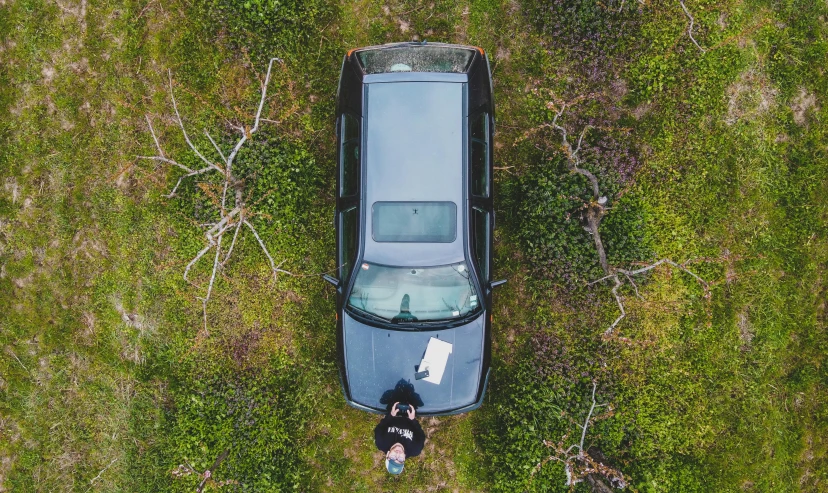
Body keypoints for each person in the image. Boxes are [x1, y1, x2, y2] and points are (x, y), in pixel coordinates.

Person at [374, 401, 425, 475]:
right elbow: (420, 434)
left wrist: (390, 415)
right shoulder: (415, 449)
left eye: (393, 457)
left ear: (387, 454)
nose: (397, 454)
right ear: (404, 458)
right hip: (413, 407)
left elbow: (380, 427)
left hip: (393, 405)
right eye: (400, 459)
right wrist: (413, 420)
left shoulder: (381, 442)